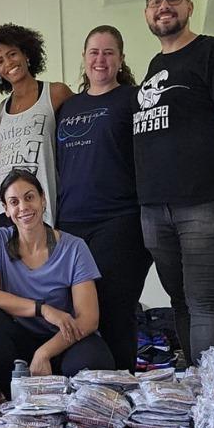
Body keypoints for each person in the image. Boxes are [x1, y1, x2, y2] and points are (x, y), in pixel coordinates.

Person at [134, 0, 214, 368]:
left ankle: (213, 392)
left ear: (189, 7)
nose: (163, 6)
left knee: (203, 299)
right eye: (155, 1)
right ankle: (194, 386)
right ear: (147, 13)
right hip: (155, 208)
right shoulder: (154, 67)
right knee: (180, 301)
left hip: (204, 202)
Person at [56, 25, 153, 371]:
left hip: (120, 220)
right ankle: (87, 398)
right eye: (94, 52)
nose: (101, 59)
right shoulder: (68, 107)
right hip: (69, 225)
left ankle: (121, 388)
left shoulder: (133, 99)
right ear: (83, 59)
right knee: (72, 311)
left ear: (121, 59)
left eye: (109, 52)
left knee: (114, 308)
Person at [0, 169, 115, 398]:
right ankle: (20, 400)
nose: (23, 207)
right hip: (20, 344)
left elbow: (88, 319)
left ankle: (70, 410)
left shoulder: (74, 247)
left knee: (94, 362)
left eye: (29, 197)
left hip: (65, 340)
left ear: (43, 199)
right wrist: (43, 309)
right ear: (6, 210)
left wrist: (44, 352)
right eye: (14, 202)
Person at [0, 23, 73, 227]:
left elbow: (84, 119)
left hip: (37, 203)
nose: (8, 63)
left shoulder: (55, 93)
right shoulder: (3, 107)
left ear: (26, 53)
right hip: (4, 206)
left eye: (12, 54)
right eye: (0, 61)